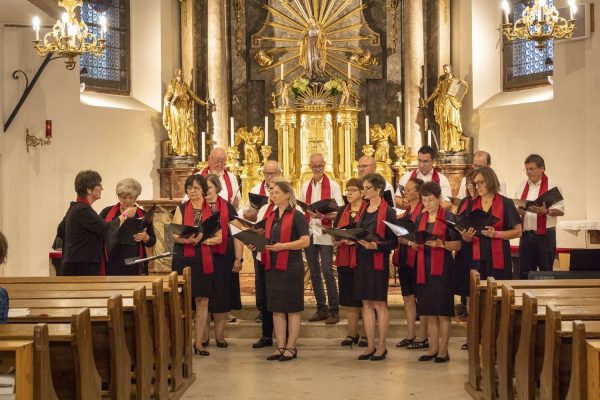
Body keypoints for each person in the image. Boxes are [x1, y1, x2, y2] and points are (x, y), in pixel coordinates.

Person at [251, 181, 310, 361]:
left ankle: (291, 347)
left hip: (291, 266)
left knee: (291, 309)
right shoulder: (272, 216)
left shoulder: (297, 215)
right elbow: (268, 240)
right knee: (276, 309)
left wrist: (283, 246)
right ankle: (280, 346)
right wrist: (256, 244)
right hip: (273, 267)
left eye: (276, 192)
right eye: (272, 192)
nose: (273, 195)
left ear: (287, 194)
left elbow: (305, 241)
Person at [171, 174, 223, 356]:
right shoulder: (180, 208)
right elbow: (174, 234)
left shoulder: (212, 211)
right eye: (189, 188)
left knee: (202, 300)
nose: (192, 191)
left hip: (203, 258)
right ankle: (183, 342)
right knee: (182, 300)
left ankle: (199, 342)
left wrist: (205, 241)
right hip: (183, 258)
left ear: (203, 190)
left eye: (196, 188)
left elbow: (220, 238)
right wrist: (186, 240)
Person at [409, 182, 461, 363]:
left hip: (443, 269)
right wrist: (414, 245)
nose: (427, 204)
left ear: (439, 199)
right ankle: (432, 348)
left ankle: (443, 351)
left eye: (430, 200)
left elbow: (459, 244)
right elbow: (418, 241)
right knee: (429, 310)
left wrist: (443, 244)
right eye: (424, 200)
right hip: (424, 268)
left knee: (442, 312)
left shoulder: (448, 217)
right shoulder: (420, 219)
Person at [58, 170, 136, 276]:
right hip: (82, 266)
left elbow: (60, 230)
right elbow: (106, 230)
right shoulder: (82, 209)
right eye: (99, 185)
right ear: (89, 190)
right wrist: (125, 215)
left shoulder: (75, 207)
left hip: (76, 264)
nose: (102, 188)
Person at [355, 173, 398, 361]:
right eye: (363, 188)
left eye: (366, 188)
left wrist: (376, 246)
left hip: (378, 261)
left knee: (379, 303)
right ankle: (370, 344)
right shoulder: (364, 209)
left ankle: (382, 345)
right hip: (363, 260)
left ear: (378, 189)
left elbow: (393, 242)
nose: (363, 191)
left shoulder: (388, 212)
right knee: (366, 303)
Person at [199, 174, 244, 348]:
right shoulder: (196, 207)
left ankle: (220, 336)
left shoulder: (226, 207)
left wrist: (238, 258)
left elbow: (238, 233)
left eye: (208, 188)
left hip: (224, 256)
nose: (205, 192)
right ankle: (203, 337)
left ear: (217, 188)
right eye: (203, 189)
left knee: (222, 297)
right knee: (204, 296)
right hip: (202, 256)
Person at [299, 153, 344, 324]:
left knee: (327, 270)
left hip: (325, 232)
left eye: (320, 166)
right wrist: (308, 213)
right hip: (310, 232)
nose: (317, 169)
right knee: (314, 272)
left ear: (324, 165)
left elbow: (338, 212)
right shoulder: (305, 186)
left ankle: (334, 309)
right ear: (310, 166)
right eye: (314, 166)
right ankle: (321, 308)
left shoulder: (333, 185)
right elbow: (302, 208)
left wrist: (322, 214)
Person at [459, 167, 522, 281]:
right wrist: (466, 236)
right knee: (478, 293)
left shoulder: (506, 203)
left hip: (499, 255)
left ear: (490, 180)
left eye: (481, 182)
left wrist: (496, 234)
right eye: (476, 183)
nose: (478, 186)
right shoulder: (470, 204)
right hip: (476, 256)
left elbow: (518, 231)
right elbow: (464, 233)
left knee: (499, 292)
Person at [515, 154, 565, 279]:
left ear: (542, 168)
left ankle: (545, 298)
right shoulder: (521, 186)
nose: (528, 172)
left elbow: (561, 210)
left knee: (546, 272)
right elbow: (515, 208)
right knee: (525, 273)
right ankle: (525, 297)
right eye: (526, 169)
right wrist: (518, 212)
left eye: (531, 169)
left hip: (545, 236)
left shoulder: (552, 186)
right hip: (526, 236)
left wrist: (546, 211)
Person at [393, 177, 429, 350]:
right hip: (404, 257)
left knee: (421, 298)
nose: (404, 193)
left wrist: (408, 241)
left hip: (419, 258)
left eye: (408, 190)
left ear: (418, 192)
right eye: (404, 190)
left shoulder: (424, 212)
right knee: (407, 297)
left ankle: (423, 336)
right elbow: (398, 237)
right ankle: (410, 334)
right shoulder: (406, 213)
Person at [332, 178, 368, 347]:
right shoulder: (342, 210)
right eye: (347, 190)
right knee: (349, 298)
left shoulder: (367, 210)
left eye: (353, 190)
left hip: (361, 257)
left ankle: (367, 334)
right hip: (344, 256)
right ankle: (352, 333)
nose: (349, 193)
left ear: (362, 192)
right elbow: (336, 232)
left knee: (363, 297)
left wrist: (355, 240)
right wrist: (337, 239)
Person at [99, 179, 156, 275]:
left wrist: (145, 237)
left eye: (131, 197)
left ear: (137, 197)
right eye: (124, 197)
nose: (128, 201)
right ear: (118, 197)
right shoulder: (107, 212)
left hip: (133, 261)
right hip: (111, 260)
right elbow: (99, 232)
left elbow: (152, 241)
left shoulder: (143, 214)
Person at [162, 69, 213, 156]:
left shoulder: (185, 85)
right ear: (176, 75)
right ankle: (178, 150)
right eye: (180, 74)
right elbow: (168, 95)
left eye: (182, 74)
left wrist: (203, 103)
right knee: (178, 128)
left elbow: (193, 95)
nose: (181, 76)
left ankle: (187, 149)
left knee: (186, 128)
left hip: (185, 109)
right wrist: (167, 101)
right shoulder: (172, 84)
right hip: (176, 109)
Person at [419, 64, 466, 153]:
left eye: (446, 69)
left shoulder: (456, 81)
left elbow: (461, 92)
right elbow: (436, 92)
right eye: (444, 69)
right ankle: (445, 145)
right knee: (444, 126)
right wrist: (426, 101)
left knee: (452, 124)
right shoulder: (442, 82)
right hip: (443, 105)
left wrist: (463, 85)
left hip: (452, 105)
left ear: (450, 70)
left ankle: (455, 145)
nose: (445, 71)